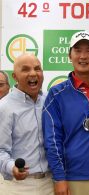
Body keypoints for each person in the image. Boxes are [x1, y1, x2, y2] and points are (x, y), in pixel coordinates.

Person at [42, 31, 89, 195]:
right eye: (78, 50)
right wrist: (59, 178)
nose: (83, 56)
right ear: (69, 55)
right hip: (71, 179)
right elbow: (52, 140)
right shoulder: (56, 94)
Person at [0, 53, 54, 195]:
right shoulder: (4, 107)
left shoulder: (49, 101)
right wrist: (12, 168)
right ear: (15, 77)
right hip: (17, 187)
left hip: (50, 183)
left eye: (37, 68)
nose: (32, 73)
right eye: (25, 69)